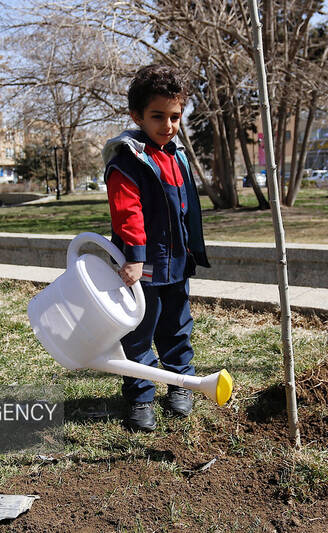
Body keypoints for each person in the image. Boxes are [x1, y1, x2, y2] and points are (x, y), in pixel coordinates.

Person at [102, 64, 210, 432]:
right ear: (137, 116)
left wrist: (193, 249)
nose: (168, 125)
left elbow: (183, 210)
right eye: (157, 116)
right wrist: (134, 257)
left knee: (177, 328)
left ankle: (181, 384)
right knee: (138, 333)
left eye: (175, 117)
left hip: (177, 264)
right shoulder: (127, 162)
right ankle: (140, 395)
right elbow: (127, 212)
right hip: (143, 268)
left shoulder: (175, 155)